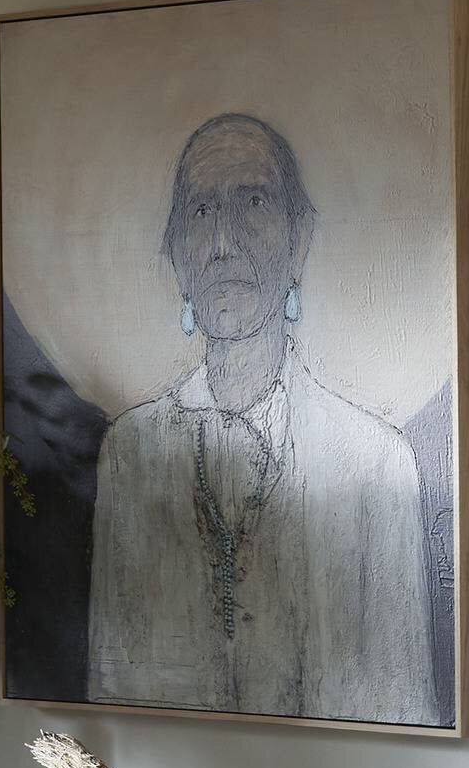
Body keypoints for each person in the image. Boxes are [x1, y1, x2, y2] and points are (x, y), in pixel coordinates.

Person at [86, 113, 436, 726]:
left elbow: (403, 702)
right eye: (201, 212)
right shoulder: (130, 452)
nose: (224, 243)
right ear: (176, 255)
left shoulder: (376, 461)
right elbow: (111, 692)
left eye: (254, 202)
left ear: (298, 241)